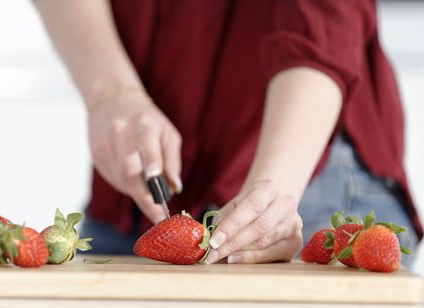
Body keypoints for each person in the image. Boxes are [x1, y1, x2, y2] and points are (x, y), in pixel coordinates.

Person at [34, 0, 421, 265]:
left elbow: (323, 23)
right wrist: (113, 95)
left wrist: (274, 193)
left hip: (303, 172)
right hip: (136, 192)